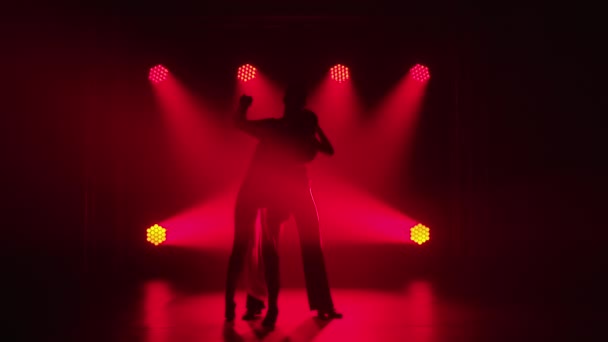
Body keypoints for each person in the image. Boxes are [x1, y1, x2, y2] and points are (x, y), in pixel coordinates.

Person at [233, 84, 343, 329]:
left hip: (293, 187)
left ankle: (260, 304)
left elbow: (327, 150)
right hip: (283, 188)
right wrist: (242, 109)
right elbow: (327, 150)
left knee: (275, 247)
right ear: (293, 103)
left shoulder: (296, 127)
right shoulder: (290, 127)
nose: (296, 106)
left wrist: (242, 108)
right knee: (270, 248)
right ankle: (260, 303)